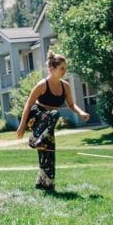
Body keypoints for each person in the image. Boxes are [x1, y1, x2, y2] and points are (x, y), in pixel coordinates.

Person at [16, 51, 90, 192]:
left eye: (65, 68)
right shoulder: (42, 85)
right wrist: (22, 126)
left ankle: (44, 184)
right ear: (52, 69)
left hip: (47, 126)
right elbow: (28, 105)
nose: (64, 71)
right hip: (36, 118)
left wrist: (82, 113)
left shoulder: (65, 86)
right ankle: (34, 140)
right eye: (62, 68)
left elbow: (71, 104)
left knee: (48, 152)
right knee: (55, 113)